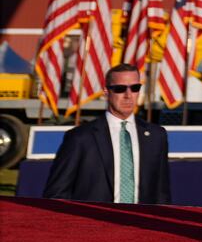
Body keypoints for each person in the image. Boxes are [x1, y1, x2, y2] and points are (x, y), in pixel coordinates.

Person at [43, 63, 171, 204]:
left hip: (139, 223)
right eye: (120, 89)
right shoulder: (80, 137)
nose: (128, 95)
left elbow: (161, 192)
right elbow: (56, 193)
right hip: (93, 222)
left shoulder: (156, 136)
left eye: (135, 88)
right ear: (106, 91)